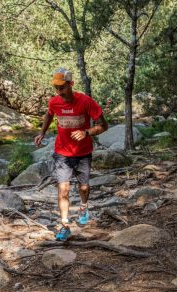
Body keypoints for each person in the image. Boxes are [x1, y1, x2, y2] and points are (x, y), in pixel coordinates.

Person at [34, 68, 108, 241]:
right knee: (63, 189)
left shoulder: (87, 102)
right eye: (56, 88)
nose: (59, 91)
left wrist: (87, 132)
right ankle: (65, 225)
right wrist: (42, 133)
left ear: (71, 84)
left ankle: (83, 206)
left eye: (62, 87)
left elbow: (104, 126)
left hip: (83, 153)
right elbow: (49, 115)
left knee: (84, 187)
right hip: (62, 153)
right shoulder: (54, 102)